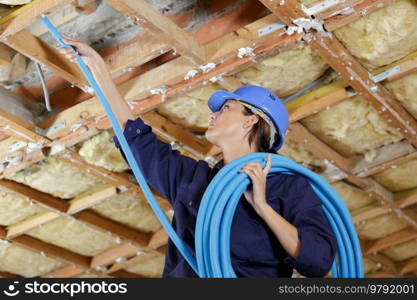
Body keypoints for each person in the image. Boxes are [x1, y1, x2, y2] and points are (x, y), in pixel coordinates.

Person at [60, 37, 337, 278]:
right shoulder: (194, 180)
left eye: (226, 108)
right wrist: (98, 69)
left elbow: (317, 262)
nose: (212, 114)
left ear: (251, 121)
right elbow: (136, 139)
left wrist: (263, 207)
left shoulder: (287, 188)